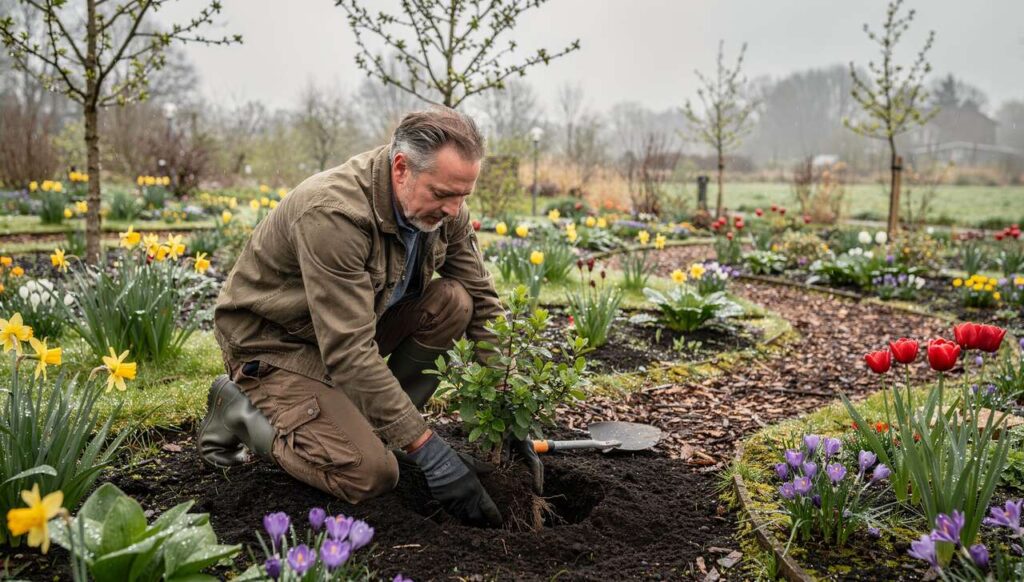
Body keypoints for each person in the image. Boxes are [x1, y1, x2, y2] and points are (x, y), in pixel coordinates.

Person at [197, 108, 540, 527]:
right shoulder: (334, 214)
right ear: (401, 169)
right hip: (277, 345)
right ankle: (239, 408)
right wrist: (428, 450)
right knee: (371, 474)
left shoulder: (444, 209)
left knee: (455, 302)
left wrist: (512, 412)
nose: (454, 210)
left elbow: (484, 303)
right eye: (443, 194)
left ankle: (378, 430)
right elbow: (348, 351)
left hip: (351, 330)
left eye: (463, 195)